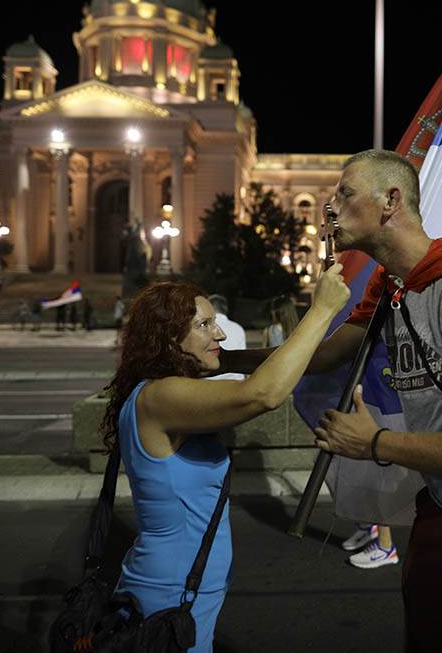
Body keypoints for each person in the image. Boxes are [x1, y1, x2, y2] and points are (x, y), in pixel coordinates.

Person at [222, 150, 442, 652]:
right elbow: (318, 357)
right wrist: (224, 359)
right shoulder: (393, 287)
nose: (329, 207)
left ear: (390, 201)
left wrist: (376, 443)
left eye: (344, 193)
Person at [100, 267, 350, 652]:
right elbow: (262, 395)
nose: (218, 334)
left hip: (186, 589)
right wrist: (321, 310)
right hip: (168, 595)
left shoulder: (165, 388)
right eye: (204, 324)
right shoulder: (161, 397)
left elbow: (288, 363)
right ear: (168, 335)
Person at [207, 294, 246, 381]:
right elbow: (243, 358)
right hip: (236, 382)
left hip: (209, 382)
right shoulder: (238, 328)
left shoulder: (204, 328)